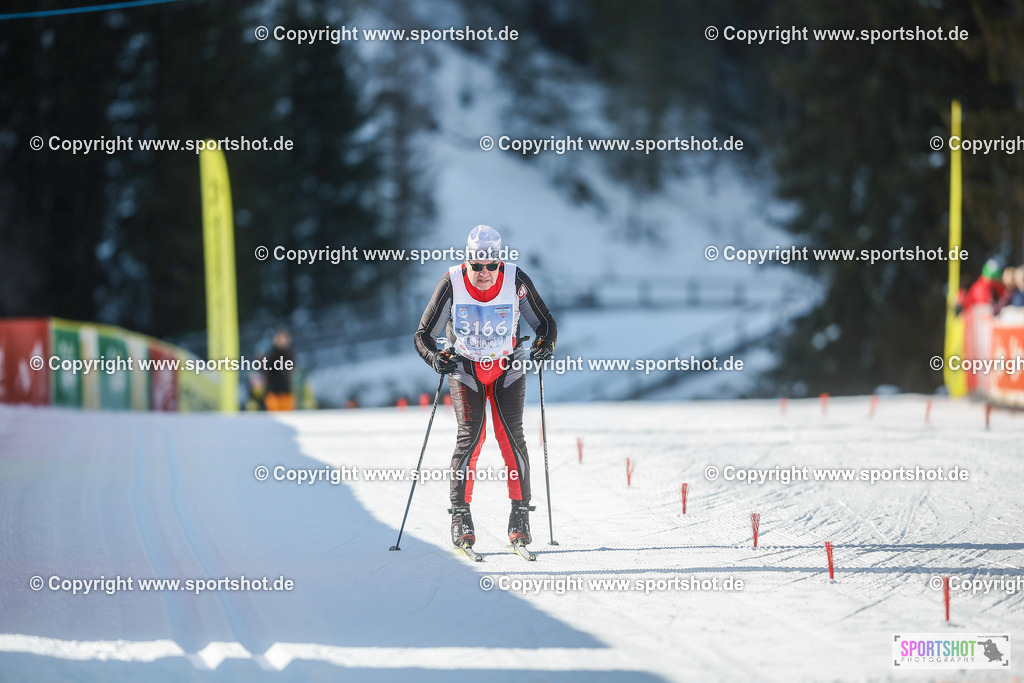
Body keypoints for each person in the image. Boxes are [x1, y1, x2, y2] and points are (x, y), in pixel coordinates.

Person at [414, 225, 557, 549]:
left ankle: (520, 514)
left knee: (511, 437)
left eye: (491, 265)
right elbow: (423, 335)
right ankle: (460, 516)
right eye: (476, 265)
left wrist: (545, 344)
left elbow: (545, 322)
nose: (484, 272)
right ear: (466, 261)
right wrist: (436, 358)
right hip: (466, 368)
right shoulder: (451, 283)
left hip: (508, 367)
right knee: (472, 437)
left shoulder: (515, 280)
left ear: (499, 262)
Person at [262, 328, 296, 411]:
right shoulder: (270, 354)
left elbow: (291, 371)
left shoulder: (289, 354)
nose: (282, 341)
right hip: (272, 391)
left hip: (286, 391)